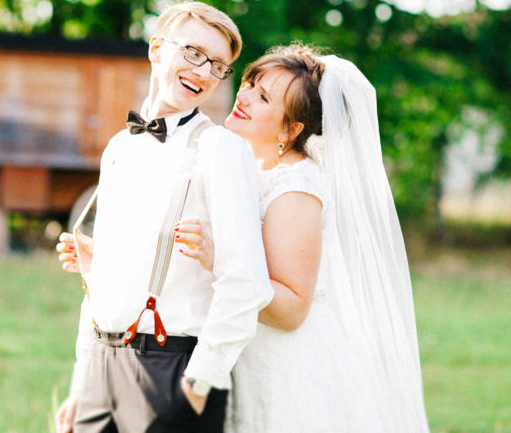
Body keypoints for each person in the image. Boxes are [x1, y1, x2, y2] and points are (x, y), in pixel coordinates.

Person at [173, 44, 429, 432]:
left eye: (263, 98)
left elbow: (292, 309)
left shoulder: (295, 187)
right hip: (239, 351)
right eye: (250, 83)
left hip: (284, 367)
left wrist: (218, 258)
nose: (243, 97)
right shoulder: (246, 167)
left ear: (291, 129)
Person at [55, 1, 273, 433]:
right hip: (101, 367)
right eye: (193, 52)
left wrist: (200, 379)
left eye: (217, 65)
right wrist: (83, 383)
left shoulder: (220, 149)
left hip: (172, 370)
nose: (203, 71)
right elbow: (100, 283)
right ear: (157, 49)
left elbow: (246, 281)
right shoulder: (119, 147)